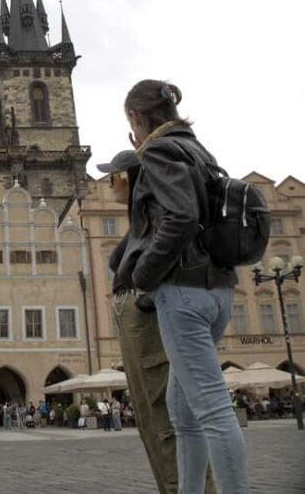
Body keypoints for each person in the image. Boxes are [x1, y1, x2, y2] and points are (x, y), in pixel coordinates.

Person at [116, 79, 247, 493]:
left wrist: (142, 277)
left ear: (137, 116)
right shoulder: (197, 147)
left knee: (210, 410)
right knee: (183, 412)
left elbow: (182, 217)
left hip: (183, 290)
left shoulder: (156, 149)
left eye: (130, 122)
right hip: (218, 287)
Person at [102, 148, 216, 494]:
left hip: (147, 318)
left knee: (164, 417)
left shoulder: (158, 208)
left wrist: (143, 286)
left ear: (129, 178)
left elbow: (173, 237)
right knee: (154, 419)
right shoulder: (142, 214)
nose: (107, 184)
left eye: (112, 177)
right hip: (139, 317)